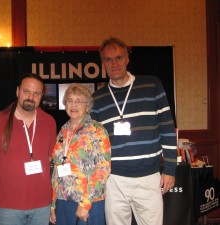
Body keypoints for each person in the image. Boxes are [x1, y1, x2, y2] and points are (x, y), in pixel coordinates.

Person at [91, 37, 177, 225]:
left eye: (119, 58)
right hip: (114, 180)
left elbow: (167, 128)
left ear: (127, 59)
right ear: (102, 63)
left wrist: (170, 169)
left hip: (148, 178)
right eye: (108, 59)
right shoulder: (97, 98)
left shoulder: (152, 85)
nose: (114, 64)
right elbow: (94, 142)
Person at [0, 73, 57, 225]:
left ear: (41, 96)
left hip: (42, 205)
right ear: (17, 91)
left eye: (36, 93)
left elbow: (48, 158)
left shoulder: (49, 122)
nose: (30, 97)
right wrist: (11, 175)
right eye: (26, 91)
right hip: (8, 206)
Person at [50, 83, 111, 225]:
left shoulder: (97, 130)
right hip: (63, 200)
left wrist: (85, 203)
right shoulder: (63, 131)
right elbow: (57, 169)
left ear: (87, 106)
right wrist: (53, 204)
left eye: (79, 101)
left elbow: (102, 170)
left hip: (88, 202)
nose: (73, 105)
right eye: (70, 101)